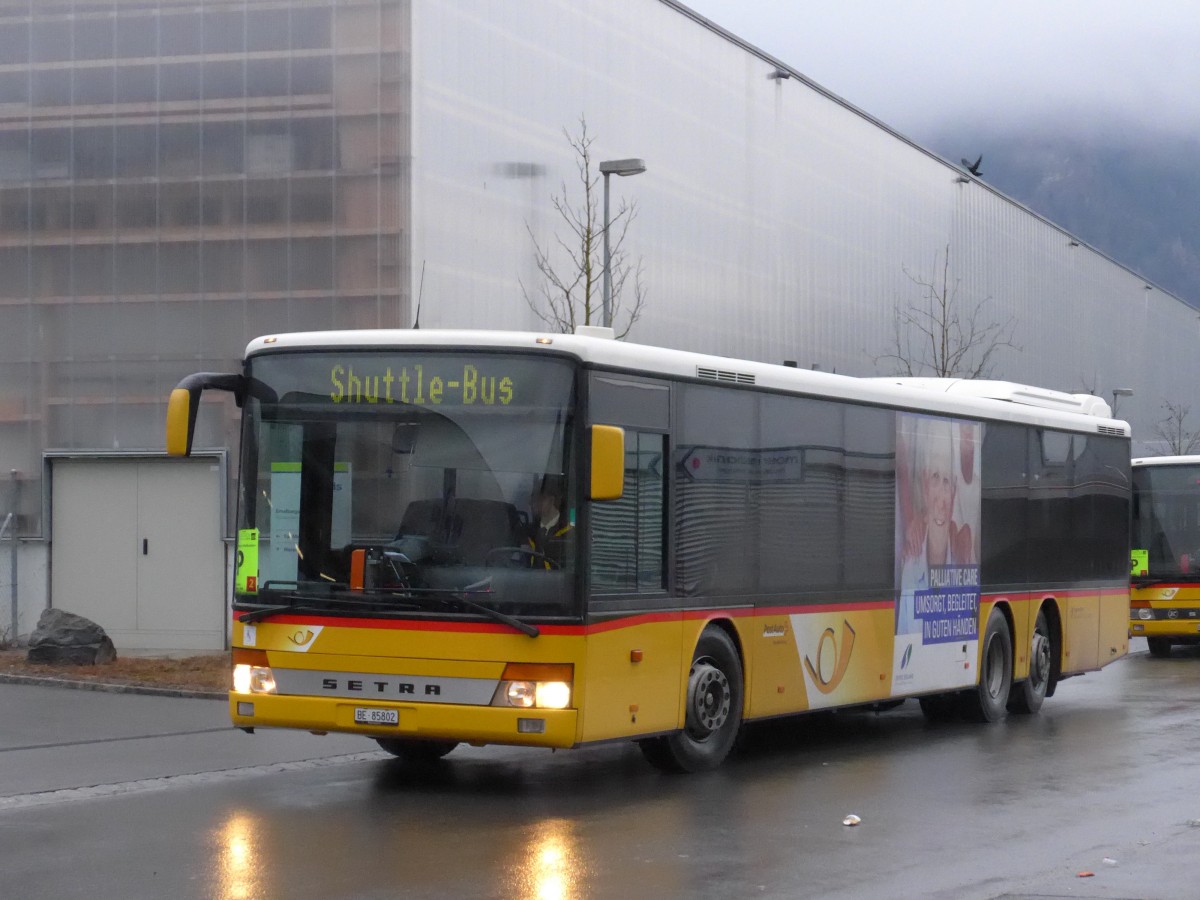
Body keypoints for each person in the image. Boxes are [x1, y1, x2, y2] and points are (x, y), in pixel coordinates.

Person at [897, 417, 959, 634]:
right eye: (935, 478)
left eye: (947, 482)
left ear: (954, 492)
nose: (941, 498)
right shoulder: (911, 568)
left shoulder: (963, 563)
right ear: (925, 486)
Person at [527, 476, 573, 569]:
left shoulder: (571, 533)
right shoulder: (526, 532)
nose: (531, 503)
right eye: (532, 498)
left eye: (538, 499)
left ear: (551, 500)